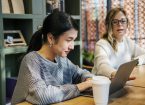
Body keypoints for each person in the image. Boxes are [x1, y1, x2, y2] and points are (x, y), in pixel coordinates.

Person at [11, 11, 93, 105]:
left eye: (73, 40)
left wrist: (89, 79)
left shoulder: (62, 60)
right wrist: (80, 86)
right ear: (51, 38)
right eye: (68, 40)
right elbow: (42, 96)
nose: (72, 46)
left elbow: (81, 73)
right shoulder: (31, 60)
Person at [92, 7, 145, 79]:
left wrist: (135, 62)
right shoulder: (101, 44)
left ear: (127, 24)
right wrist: (116, 74)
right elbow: (102, 66)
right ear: (108, 25)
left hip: (122, 83)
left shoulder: (127, 42)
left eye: (123, 21)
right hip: (103, 86)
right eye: (115, 21)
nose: (120, 24)